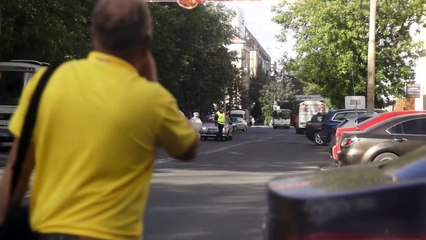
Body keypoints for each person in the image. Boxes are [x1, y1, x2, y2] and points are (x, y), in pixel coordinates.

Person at [0, 0, 199, 239]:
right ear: (146, 43)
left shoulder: (46, 81)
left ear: (93, 33)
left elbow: (17, 168)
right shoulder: (153, 99)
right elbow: (188, 149)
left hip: (45, 232)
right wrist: (151, 81)